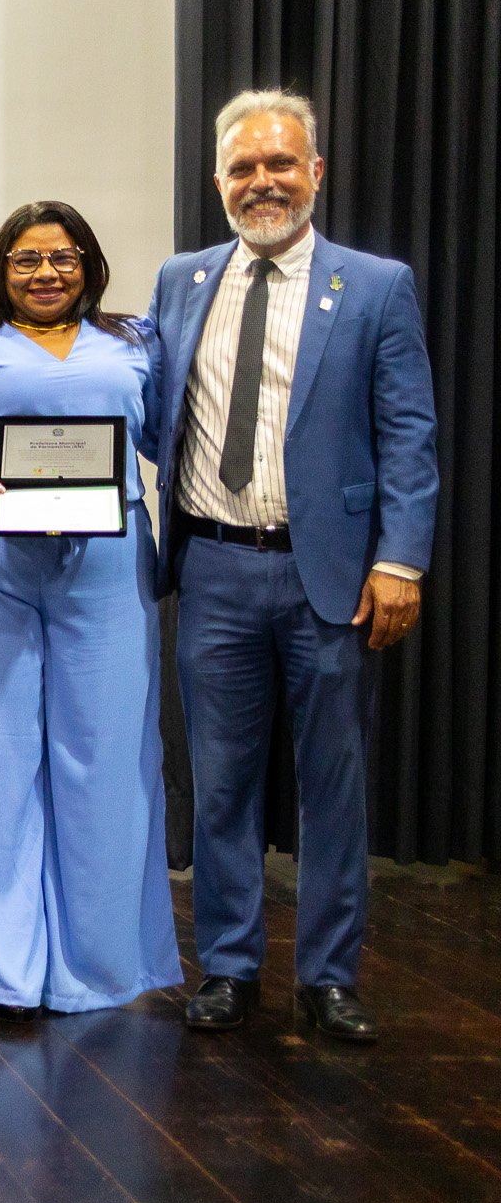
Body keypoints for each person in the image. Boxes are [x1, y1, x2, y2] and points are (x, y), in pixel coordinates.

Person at [151, 89, 438, 1042]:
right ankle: (229, 967)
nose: (262, 181)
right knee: (221, 783)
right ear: (218, 182)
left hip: (333, 577)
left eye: (281, 163)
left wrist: (402, 560)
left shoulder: (376, 286)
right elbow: (151, 409)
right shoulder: (182, 281)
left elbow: (409, 435)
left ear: (315, 172)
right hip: (214, 569)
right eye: (243, 167)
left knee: (333, 784)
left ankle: (328, 976)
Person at [0, 200, 183, 1021]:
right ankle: (6, 972)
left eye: (63, 257)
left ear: (88, 265)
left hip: (106, 573)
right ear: (0, 270)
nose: (46, 272)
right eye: (26, 259)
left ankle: (96, 968)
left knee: (106, 760)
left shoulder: (136, 346)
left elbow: (172, 442)